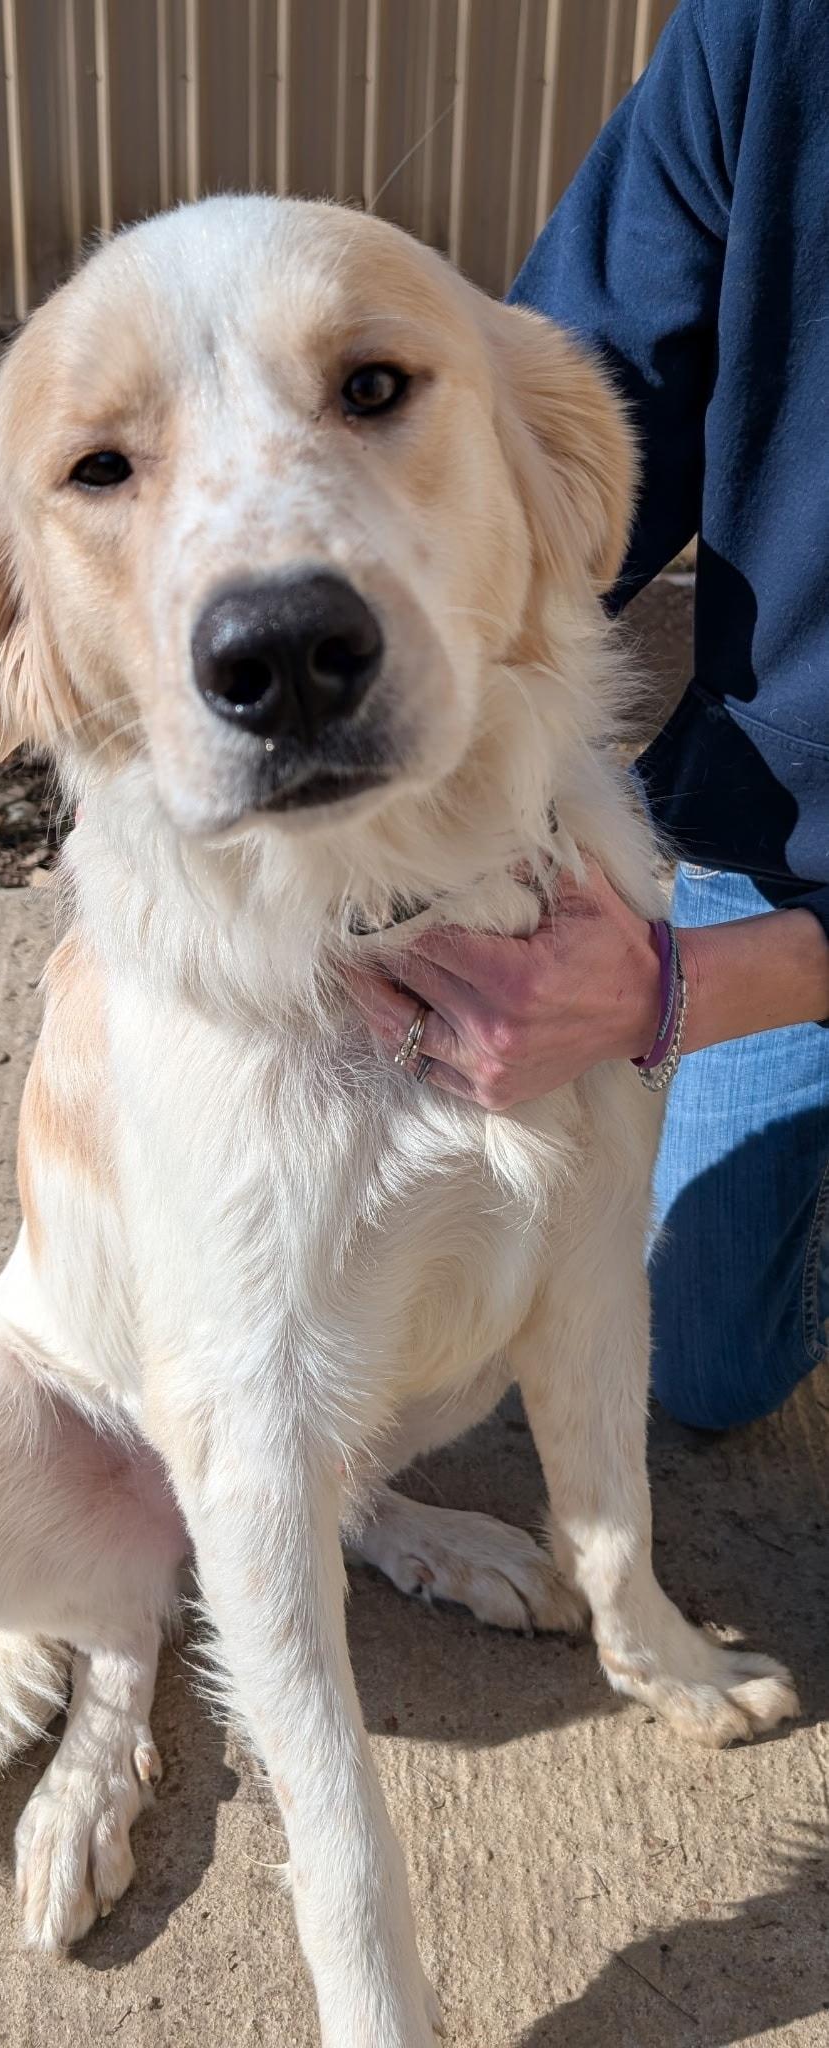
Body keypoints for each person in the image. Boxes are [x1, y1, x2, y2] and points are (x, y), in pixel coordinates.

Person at [357, 0, 829, 1431]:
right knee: (701, 1358)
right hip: (792, 827)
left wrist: (674, 991)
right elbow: (574, 410)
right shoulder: (775, 33)